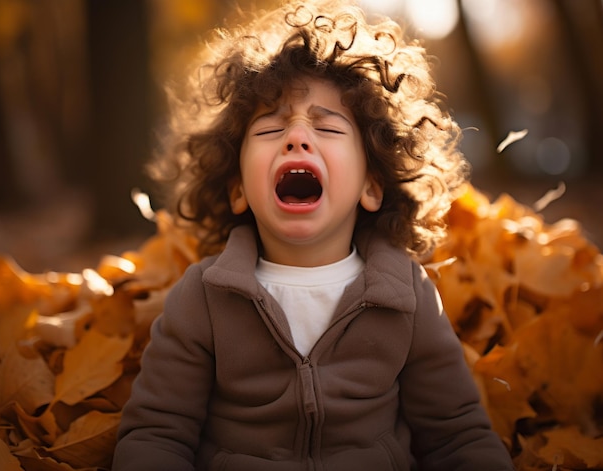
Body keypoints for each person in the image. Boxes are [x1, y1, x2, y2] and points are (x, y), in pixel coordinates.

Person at [112, 0, 515, 469]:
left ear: (371, 185)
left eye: (327, 125)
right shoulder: (203, 299)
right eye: (270, 129)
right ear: (238, 188)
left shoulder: (405, 296)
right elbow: (156, 435)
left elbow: (457, 437)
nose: (297, 137)